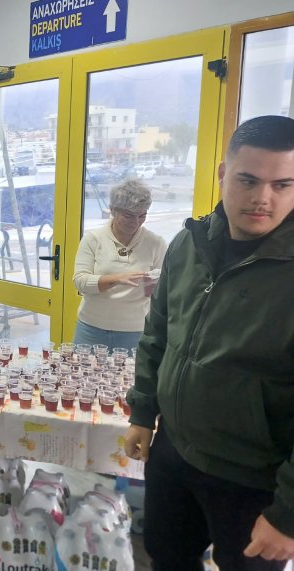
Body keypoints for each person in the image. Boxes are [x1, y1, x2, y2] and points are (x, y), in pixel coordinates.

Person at [124, 115, 294, 570]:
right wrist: (142, 412)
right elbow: (158, 333)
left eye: (283, 185)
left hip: (253, 478)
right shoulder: (189, 244)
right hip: (174, 452)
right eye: (248, 180)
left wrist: (288, 514)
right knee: (166, 557)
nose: (263, 198)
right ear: (223, 174)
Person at [72, 178, 167, 351]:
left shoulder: (156, 243)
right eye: (128, 216)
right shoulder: (93, 239)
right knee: (84, 369)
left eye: (142, 215)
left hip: (136, 331)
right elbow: (80, 282)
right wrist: (116, 278)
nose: (136, 222)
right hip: (91, 328)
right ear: (112, 210)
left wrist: (156, 285)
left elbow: (163, 291)